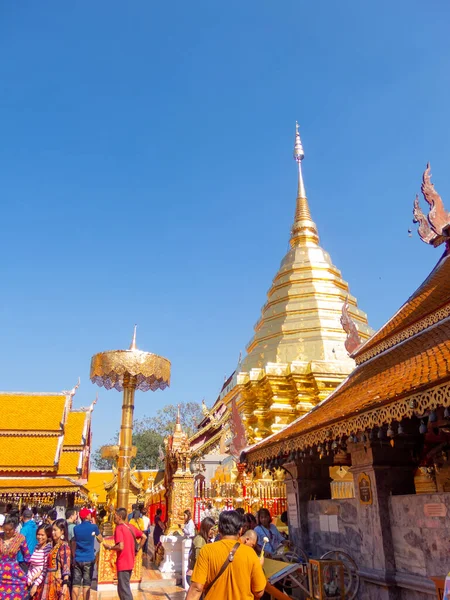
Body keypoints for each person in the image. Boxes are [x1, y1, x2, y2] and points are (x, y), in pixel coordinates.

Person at [186, 510, 266, 600]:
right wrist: (259, 566)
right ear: (240, 530)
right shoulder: (250, 553)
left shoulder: (207, 551)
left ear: (219, 529)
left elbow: (196, 588)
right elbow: (259, 592)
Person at [103, 508, 146, 600]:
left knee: (124, 590)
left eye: (115, 516)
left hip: (123, 562)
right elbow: (144, 537)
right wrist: (138, 548)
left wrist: (110, 547)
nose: (114, 518)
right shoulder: (131, 527)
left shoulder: (119, 528)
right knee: (122, 588)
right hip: (130, 561)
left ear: (120, 517)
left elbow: (121, 546)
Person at [72, 507, 102, 600]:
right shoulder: (93, 527)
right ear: (87, 516)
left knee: (76, 584)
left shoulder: (76, 528)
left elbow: (74, 541)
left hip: (78, 558)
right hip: (89, 558)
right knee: (86, 584)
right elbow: (100, 539)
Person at [0, 515, 31, 600]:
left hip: (14, 575)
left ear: (15, 528)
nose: (7, 532)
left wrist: (29, 573)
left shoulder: (20, 538)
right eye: (5, 529)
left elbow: (27, 557)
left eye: (10, 530)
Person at [40, 519, 71, 600]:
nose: (52, 532)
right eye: (52, 530)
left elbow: (66, 565)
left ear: (62, 531)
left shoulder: (63, 546)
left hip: (57, 581)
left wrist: (65, 583)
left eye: (55, 530)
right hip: (49, 579)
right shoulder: (53, 546)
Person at [186, 517, 215, 584]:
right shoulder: (199, 540)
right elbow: (199, 559)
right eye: (211, 529)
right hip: (194, 575)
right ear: (206, 529)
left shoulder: (205, 540)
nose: (213, 532)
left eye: (214, 529)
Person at [26, 525, 52, 598]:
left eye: (42, 535)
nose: (40, 537)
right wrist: (29, 578)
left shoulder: (48, 548)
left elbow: (45, 569)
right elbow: (31, 565)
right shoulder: (37, 546)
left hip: (39, 582)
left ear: (47, 535)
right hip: (31, 580)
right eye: (38, 534)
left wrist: (36, 585)